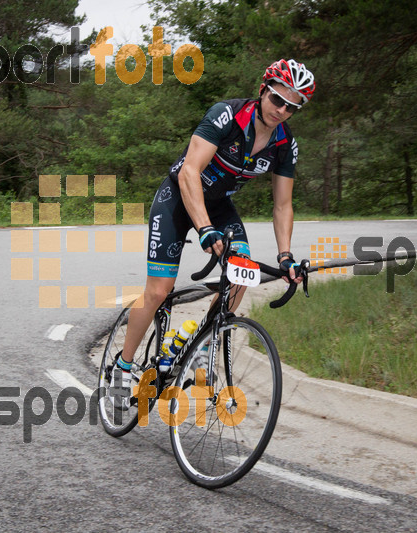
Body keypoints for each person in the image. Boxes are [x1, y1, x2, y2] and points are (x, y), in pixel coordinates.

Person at [113, 59, 315, 402]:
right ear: (263, 90)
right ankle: (123, 366)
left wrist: (286, 257)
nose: (282, 111)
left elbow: (282, 205)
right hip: (178, 197)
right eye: (278, 100)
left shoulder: (284, 144)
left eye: (292, 107)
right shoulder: (226, 115)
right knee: (158, 291)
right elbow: (190, 171)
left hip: (219, 204)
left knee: (243, 273)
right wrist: (205, 230)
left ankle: (201, 347)